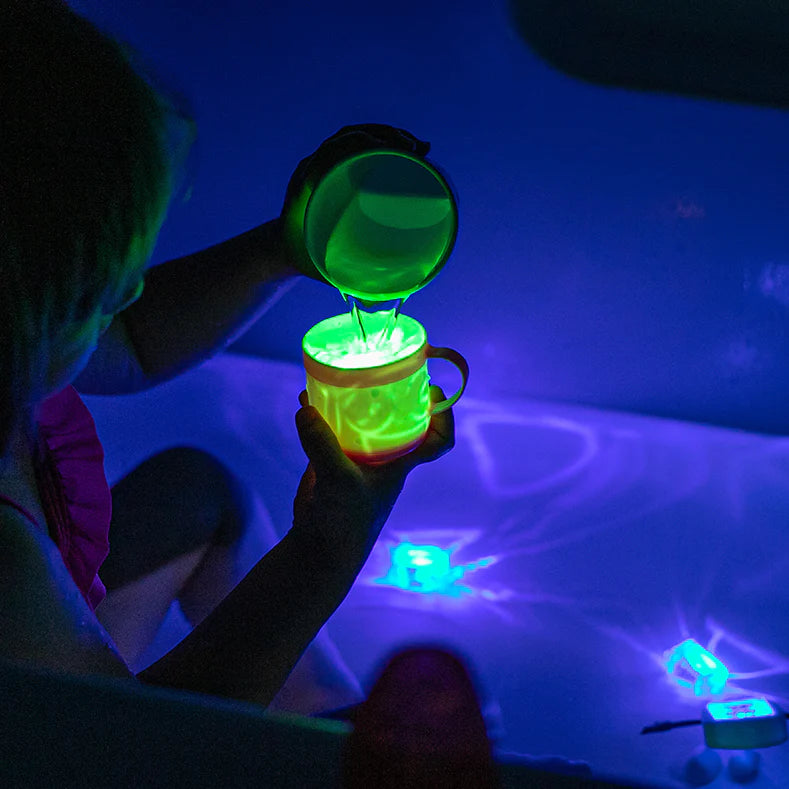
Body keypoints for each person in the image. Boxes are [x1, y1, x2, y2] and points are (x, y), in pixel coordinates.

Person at [0, 0, 455, 709]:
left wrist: (284, 246)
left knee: (197, 486)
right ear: (24, 313)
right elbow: (119, 753)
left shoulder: (17, 352)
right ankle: (315, 742)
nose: (131, 293)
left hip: (56, 609)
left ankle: (326, 712)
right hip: (68, 727)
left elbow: (134, 344)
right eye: (99, 293)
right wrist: (327, 549)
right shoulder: (6, 567)